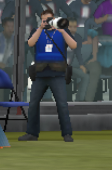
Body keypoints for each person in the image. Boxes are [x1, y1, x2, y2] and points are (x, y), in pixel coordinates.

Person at [20, 10, 77, 141]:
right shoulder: (37, 31)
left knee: (62, 104)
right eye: (44, 20)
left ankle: (67, 133)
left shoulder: (62, 31)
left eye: (49, 19)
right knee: (33, 104)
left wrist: (62, 31)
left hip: (57, 74)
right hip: (40, 73)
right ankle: (32, 133)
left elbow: (74, 45)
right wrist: (40, 28)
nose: (46, 22)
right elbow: (30, 43)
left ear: (54, 19)